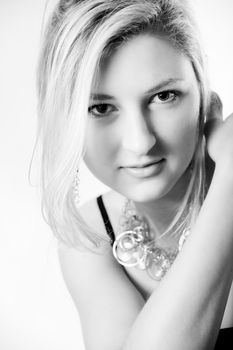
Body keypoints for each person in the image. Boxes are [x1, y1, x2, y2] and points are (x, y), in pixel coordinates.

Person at [36, 0, 233, 349]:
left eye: (164, 96)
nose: (140, 142)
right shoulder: (90, 237)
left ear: (206, 100)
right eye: (100, 108)